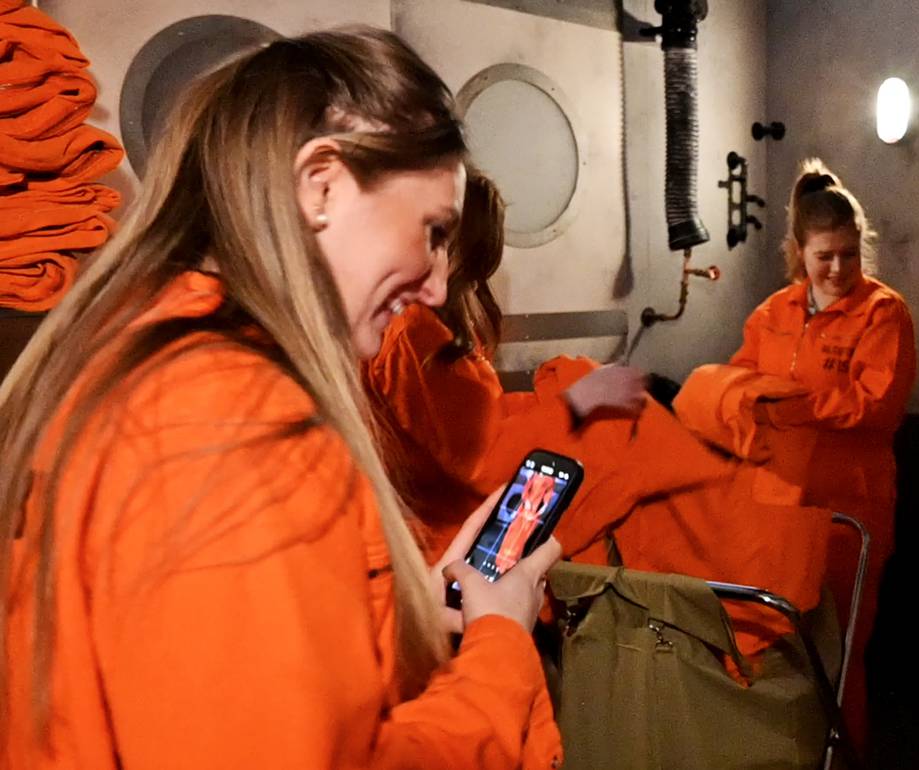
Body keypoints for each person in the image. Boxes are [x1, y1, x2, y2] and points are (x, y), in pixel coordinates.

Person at [0, 28, 564, 769]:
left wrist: (405, 613)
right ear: (321, 184)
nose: (434, 285)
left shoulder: (144, 352)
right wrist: (500, 648)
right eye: (431, 231)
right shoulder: (235, 424)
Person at [684, 158, 916, 755]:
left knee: (840, 655)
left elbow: (875, 404)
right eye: (823, 257)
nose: (838, 269)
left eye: (847, 254)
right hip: (777, 506)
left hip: (850, 515)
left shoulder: (882, 314)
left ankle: (844, 757)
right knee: (780, 650)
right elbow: (737, 385)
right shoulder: (772, 315)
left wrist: (787, 401)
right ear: (799, 253)